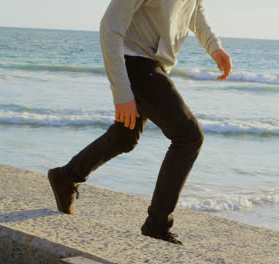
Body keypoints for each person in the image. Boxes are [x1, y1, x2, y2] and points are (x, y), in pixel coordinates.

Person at [47, 0, 232, 245]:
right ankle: (157, 225)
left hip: (155, 65)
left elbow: (195, 12)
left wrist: (215, 48)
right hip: (134, 63)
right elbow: (109, 28)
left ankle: (67, 176)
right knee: (188, 137)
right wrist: (122, 94)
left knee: (125, 137)